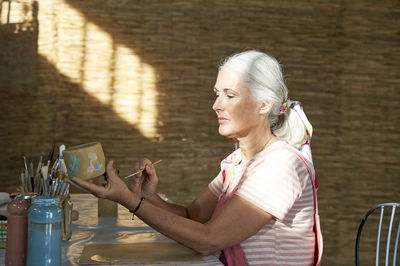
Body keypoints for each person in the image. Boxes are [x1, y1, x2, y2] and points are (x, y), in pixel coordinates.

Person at [66, 50, 323, 266]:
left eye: (230, 95)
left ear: (264, 105)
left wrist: (128, 200)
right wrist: (148, 197)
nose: (216, 105)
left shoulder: (280, 166)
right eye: (217, 94)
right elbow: (194, 217)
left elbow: (208, 239)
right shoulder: (238, 161)